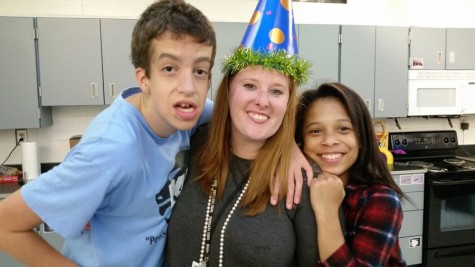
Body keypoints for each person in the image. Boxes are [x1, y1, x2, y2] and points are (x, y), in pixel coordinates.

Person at [0, 1, 310, 266]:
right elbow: (5, 225)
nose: (188, 87)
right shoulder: (112, 150)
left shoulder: (189, 114)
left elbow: (253, 118)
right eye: (169, 69)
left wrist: (291, 146)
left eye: (199, 70)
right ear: (144, 77)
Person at [166, 0, 318, 266]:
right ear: (228, 91)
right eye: (249, 85)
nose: (262, 100)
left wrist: (288, 148)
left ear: (288, 104)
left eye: (276, 91)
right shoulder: (194, 142)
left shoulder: (302, 180)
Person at [295, 82, 407, 266]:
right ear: (301, 142)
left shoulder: (381, 200)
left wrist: (328, 211)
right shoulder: (298, 189)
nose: (330, 141)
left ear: (361, 137)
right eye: (315, 131)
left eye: (344, 129)